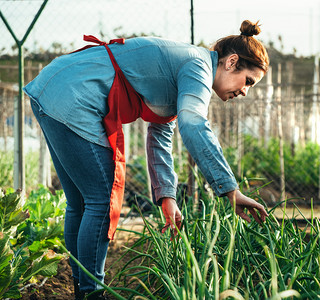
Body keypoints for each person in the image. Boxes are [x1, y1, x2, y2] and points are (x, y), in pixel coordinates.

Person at [24, 20, 269, 299]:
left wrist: (168, 198)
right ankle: (92, 293)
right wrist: (230, 190)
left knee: (81, 202)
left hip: (53, 87)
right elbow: (193, 123)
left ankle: (85, 290)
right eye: (248, 81)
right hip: (73, 97)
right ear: (232, 62)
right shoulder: (198, 67)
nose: (245, 92)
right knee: (101, 201)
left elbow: (161, 134)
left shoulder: (186, 68)